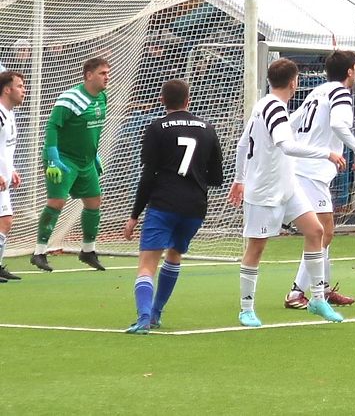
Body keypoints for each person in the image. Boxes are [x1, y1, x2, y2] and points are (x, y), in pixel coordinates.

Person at [228, 58, 348, 327]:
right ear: (294, 82)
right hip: (264, 191)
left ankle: (317, 299)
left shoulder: (264, 104)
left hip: (288, 186)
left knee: (316, 231)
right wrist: (326, 153)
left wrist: (238, 179)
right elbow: (286, 145)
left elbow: (241, 145)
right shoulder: (273, 109)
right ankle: (246, 309)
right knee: (256, 248)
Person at [120, 79, 224, 333]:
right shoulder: (208, 129)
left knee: (147, 264)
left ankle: (144, 318)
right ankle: (156, 314)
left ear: (162, 100)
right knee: (174, 256)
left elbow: (147, 176)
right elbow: (217, 178)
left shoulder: (156, 128)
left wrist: (134, 215)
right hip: (195, 207)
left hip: (163, 204)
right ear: (188, 100)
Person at [283, 50, 355, 310]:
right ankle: (296, 292)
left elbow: (291, 122)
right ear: (350, 71)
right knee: (323, 232)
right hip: (312, 172)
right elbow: (340, 125)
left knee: (321, 230)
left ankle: (324, 288)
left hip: (302, 167)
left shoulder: (318, 91)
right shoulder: (340, 93)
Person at [30, 56, 111, 272]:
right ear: (89, 75)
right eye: (102, 73)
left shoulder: (102, 97)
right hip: (63, 159)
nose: (107, 77)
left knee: (94, 202)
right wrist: (52, 157)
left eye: (108, 73)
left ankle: (88, 251)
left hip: (86, 160)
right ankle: (39, 252)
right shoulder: (70, 98)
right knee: (56, 202)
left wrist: (94, 154)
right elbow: (52, 126)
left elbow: (93, 130)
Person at [0, 72, 26, 282]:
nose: (23, 90)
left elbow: (4, 149)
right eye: (20, 86)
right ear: (7, 89)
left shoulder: (9, 114)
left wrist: (12, 170)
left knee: (5, 222)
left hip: (4, 182)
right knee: (5, 221)